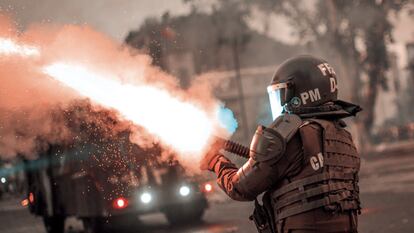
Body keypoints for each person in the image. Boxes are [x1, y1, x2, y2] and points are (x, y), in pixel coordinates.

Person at [201, 55, 362, 233]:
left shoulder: (290, 135)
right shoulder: (343, 136)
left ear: (299, 95)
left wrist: (215, 162)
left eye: (281, 93)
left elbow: (241, 188)